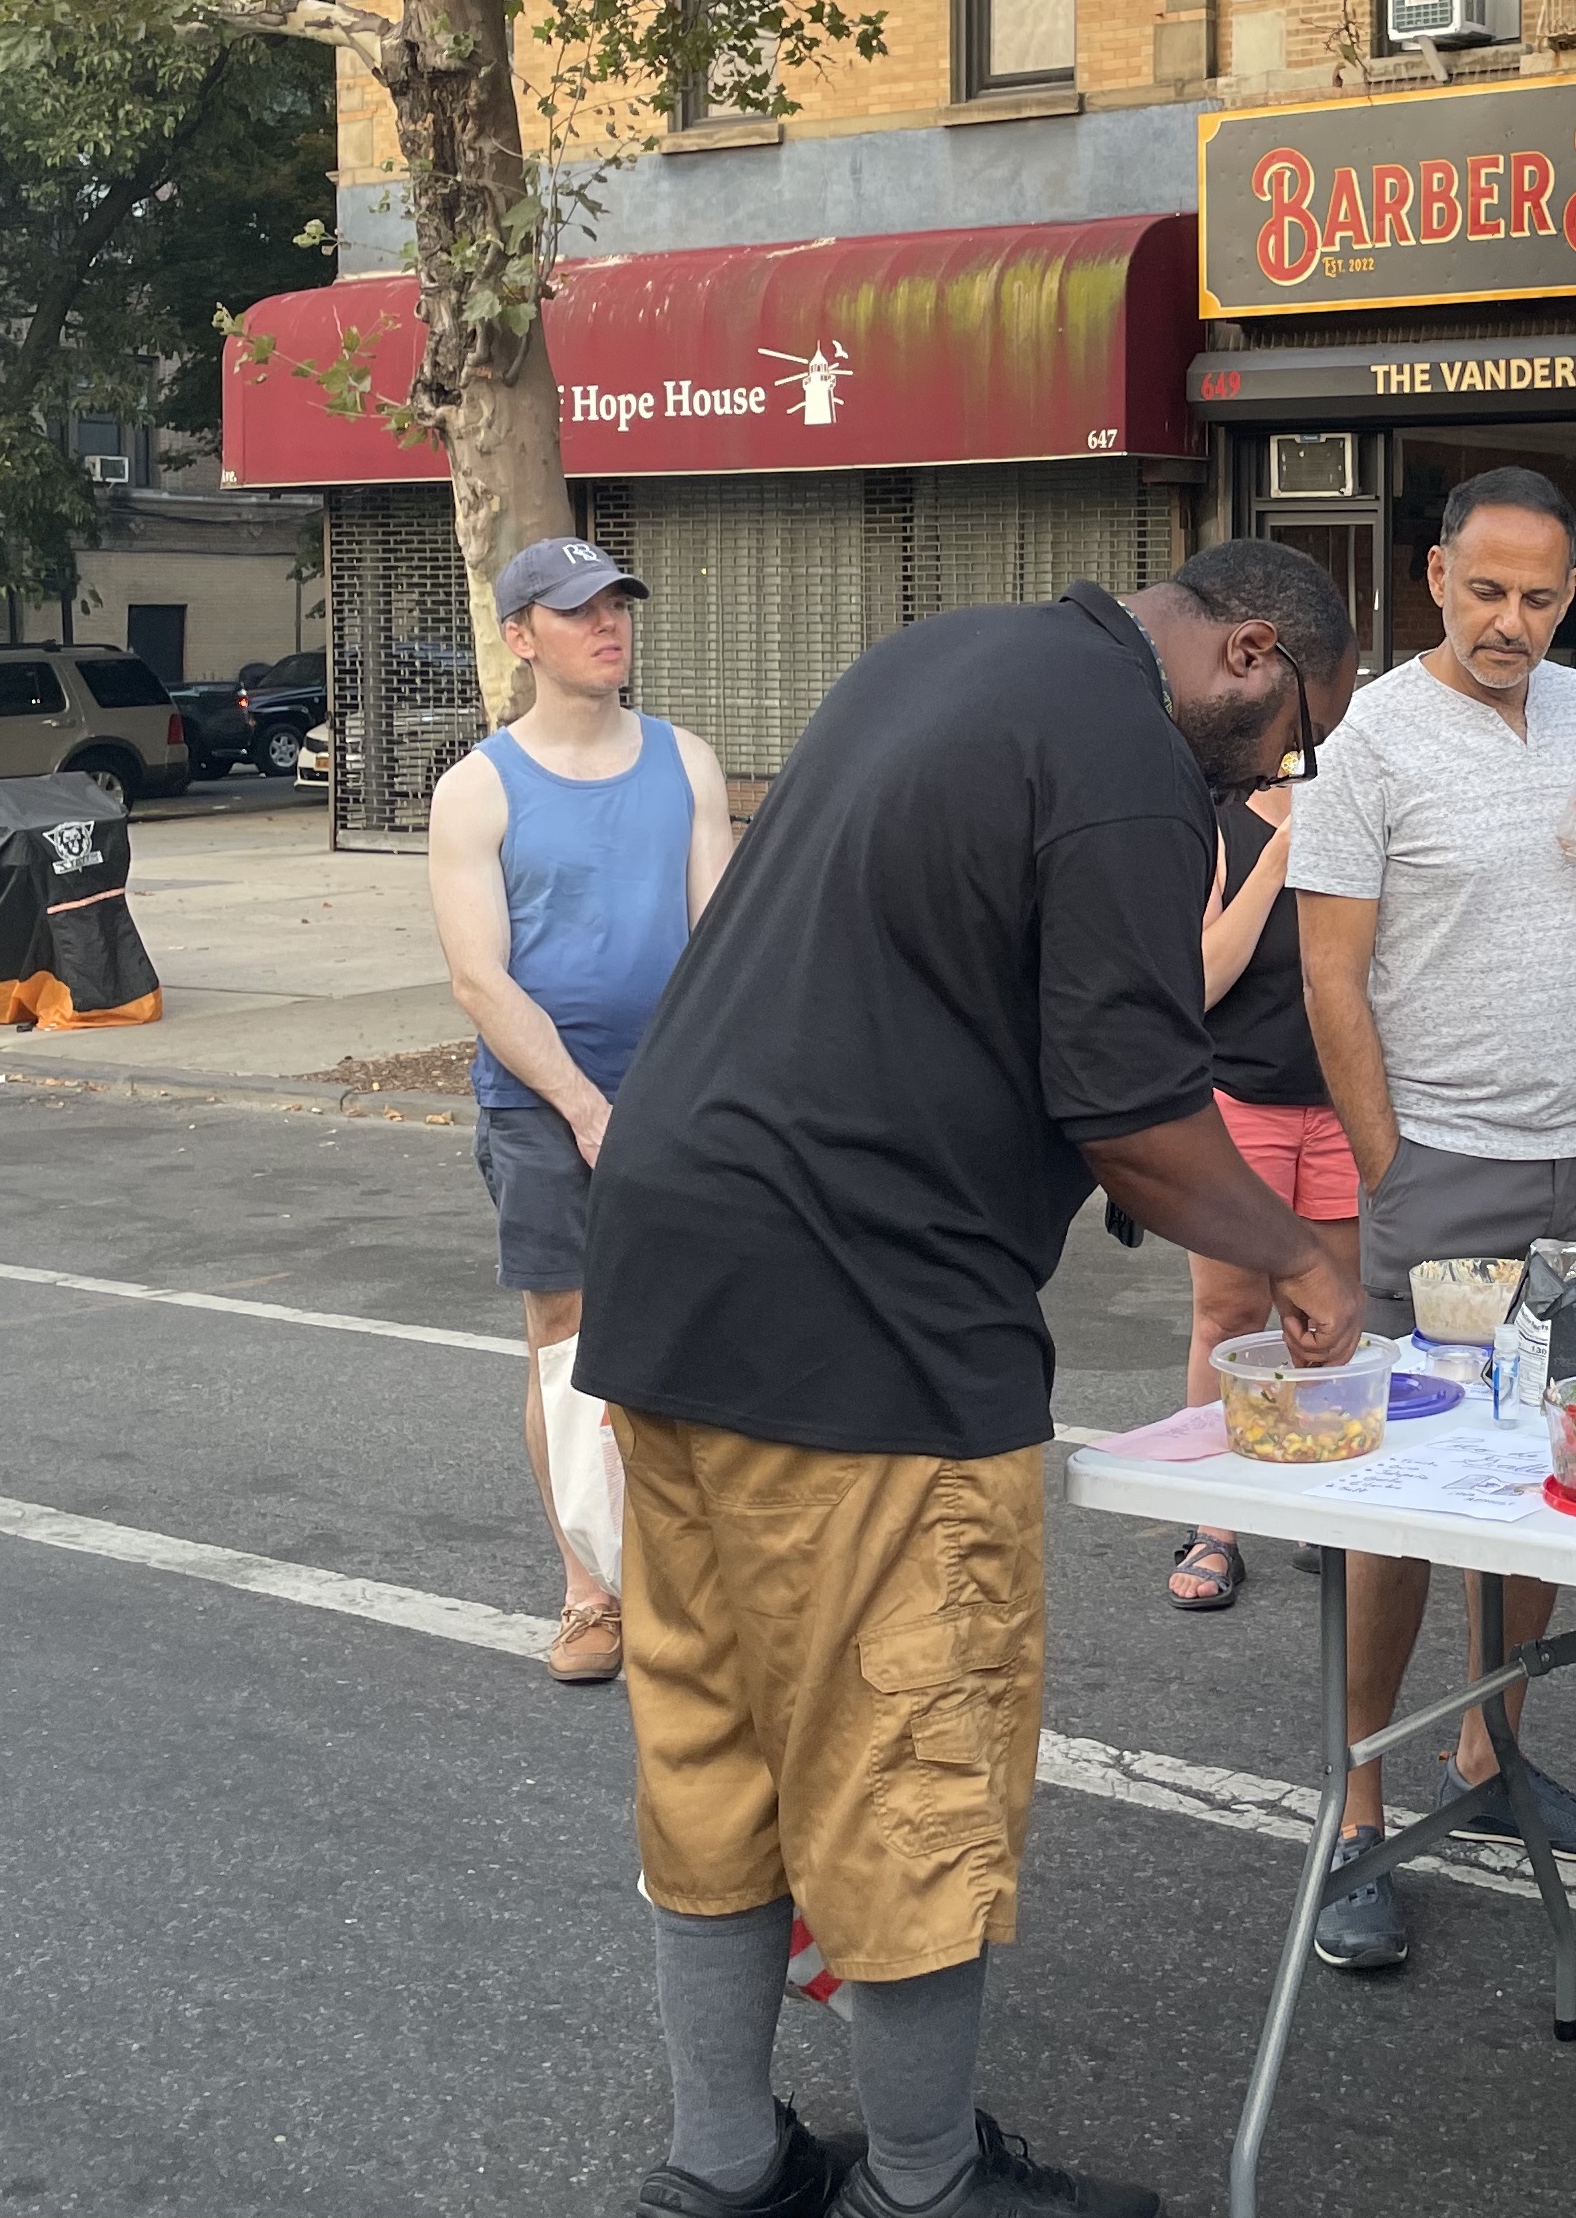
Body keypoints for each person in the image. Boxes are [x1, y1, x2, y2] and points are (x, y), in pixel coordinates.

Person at [574, 540, 1367, 2218]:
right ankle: (922, 2184)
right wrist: (1299, 1256)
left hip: (668, 1254)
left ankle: (723, 2160)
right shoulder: (1129, 764)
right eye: (1293, 726)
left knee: (712, 1736)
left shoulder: (939, 655)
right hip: (868, 1297)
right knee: (910, 1753)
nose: (1277, 765)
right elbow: (1134, 1114)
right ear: (1245, 651)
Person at [1287, 467, 1576, 1976]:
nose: (1512, 621)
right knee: (1404, 1504)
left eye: (1542, 596)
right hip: (1444, 1164)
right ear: (1433, 576)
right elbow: (1329, 979)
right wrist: (1391, 1171)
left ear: (1573, 596)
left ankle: (1491, 1751)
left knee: (1551, 1466)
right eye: (1486, 590)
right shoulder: (1368, 734)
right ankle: (1358, 1807)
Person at [425, 534, 733, 1683]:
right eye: (579, 611)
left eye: (618, 605)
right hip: (538, 1101)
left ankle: (689, 1572)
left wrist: (702, 1093)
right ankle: (589, 1590)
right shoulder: (477, 788)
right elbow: (480, 979)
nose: (610, 625)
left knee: (696, 1333)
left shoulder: (688, 763)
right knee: (565, 1341)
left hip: (679, 1095)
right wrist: (584, 1106)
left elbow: (721, 945)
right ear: (521, 638)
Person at [1157, 772, 1348, 1613]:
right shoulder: (1216, 826)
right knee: (1229, 1316)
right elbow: (1197, 982)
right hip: (1238, 1106)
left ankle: (1318, 1497)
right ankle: (1216, 1523)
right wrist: (1276, 860)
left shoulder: (1362, 817)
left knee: (1332, 1315)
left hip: (1344, 1107)